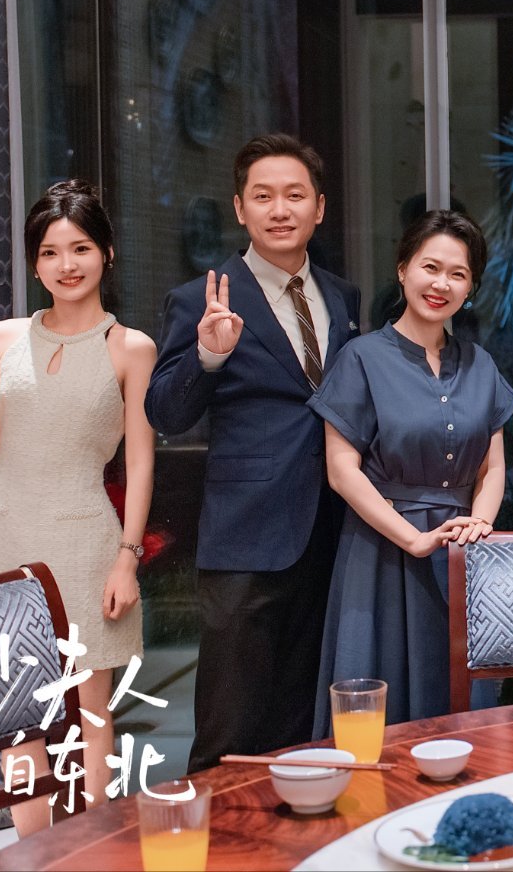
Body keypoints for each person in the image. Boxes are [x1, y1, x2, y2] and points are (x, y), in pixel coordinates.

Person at [0, 180, 152, 833]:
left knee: (91, 713)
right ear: (33, 264)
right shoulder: (1, 337)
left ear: (107, 253)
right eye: (50, 252)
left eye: (80, 248)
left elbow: (140, 461)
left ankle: (93, 853)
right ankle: (35, 856)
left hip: (85, 543)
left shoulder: (130, 348)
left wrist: (127, 558)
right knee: (18, 718)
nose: (66, 264)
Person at [146, 134, 361, 771]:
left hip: (331, 531)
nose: (280, 209)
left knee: (304, 720)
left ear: (319, 207)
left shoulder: (342, 296)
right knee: (229, 724)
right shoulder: (201, 298)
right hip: (245, 536)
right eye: (263, 196)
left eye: (295, 195)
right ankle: (218, 831)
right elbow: (166, 413)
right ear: (240, 208)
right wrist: (208, 355)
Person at [312, 210, 513, 727]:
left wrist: (481, 523)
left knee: (461, 702)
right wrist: (413, 539)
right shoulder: (360, 357)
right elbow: (341, 470)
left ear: (470, 287)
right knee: (380, 702)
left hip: (463, 554)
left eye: (458, 274)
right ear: (403, 270)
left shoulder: (481, 364)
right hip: (380, 550)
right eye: (430, 267)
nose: (441, 284)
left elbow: (492, 468)